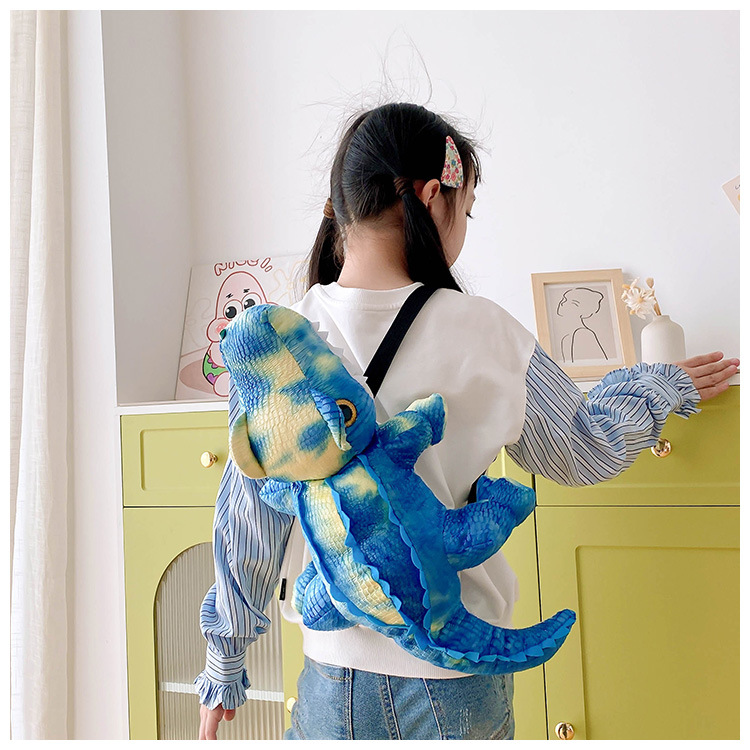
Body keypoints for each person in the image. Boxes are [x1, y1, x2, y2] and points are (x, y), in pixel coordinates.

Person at [194, 102, 739, 741]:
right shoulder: (484, 330)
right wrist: (661, 385)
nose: (463, 228)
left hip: (331, 679)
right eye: (467, 208)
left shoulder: (279, 340)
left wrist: (224, 663)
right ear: (432, 196)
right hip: (454, 679)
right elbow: (584, 450)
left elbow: (248, 522)